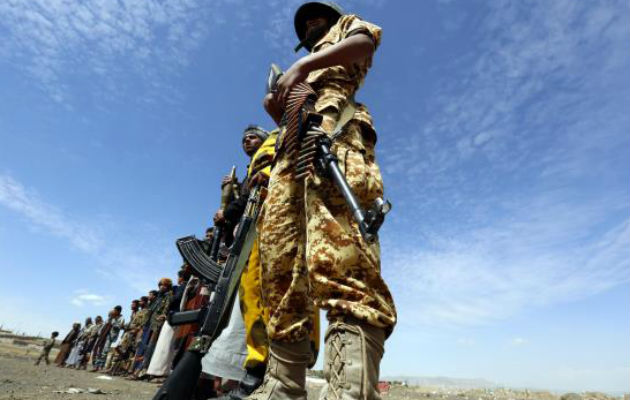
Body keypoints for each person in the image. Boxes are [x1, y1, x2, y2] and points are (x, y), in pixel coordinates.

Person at [252, 3, 397, 399]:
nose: (311, 22)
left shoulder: (348, 29)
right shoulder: (302, 72)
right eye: (305, 22)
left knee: (341, 256)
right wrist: (278, 107)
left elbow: (364, 43)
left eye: (318, 17)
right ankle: (281, 387)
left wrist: (302, 69)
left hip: (334, 132)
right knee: (280, 266)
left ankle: (349, 389)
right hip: (291, 146)